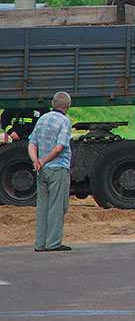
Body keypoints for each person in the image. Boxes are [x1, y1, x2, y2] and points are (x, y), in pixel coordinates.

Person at [28, 91, 73, 252]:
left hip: (42, 171)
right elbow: (60, 147)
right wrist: (45, 160)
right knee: (58, 205)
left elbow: (32, 142)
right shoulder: (65, 121)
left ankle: (40, 243)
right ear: (68, 105)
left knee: (42, 206)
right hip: (58, 167)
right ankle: (53, 242)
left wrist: (37, 161)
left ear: (53, 104)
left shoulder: (42, 119)